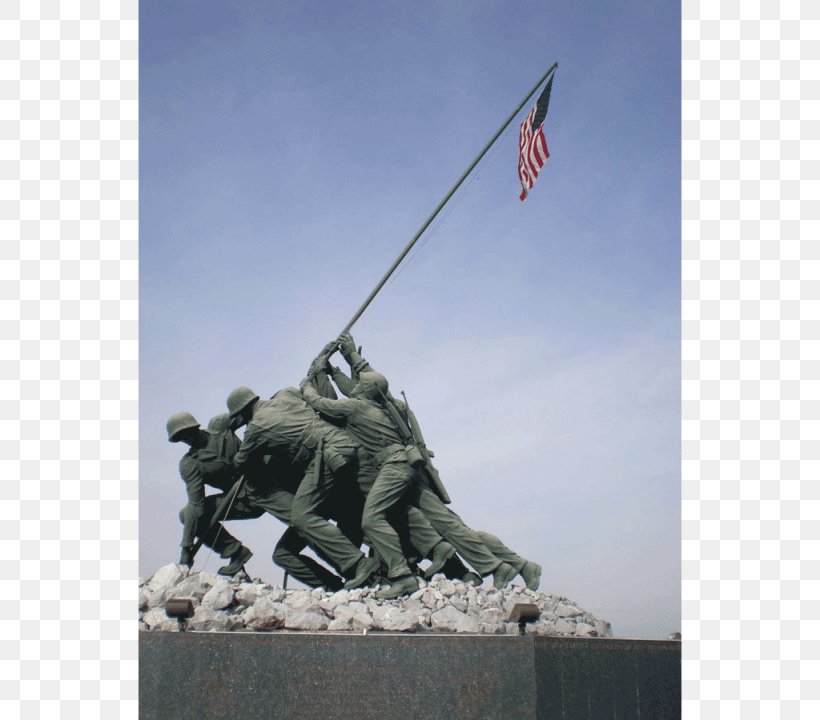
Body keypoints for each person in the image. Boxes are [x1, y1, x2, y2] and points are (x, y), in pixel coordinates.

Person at [323, 333, 537, 590]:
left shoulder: (389, 406)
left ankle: (498, 566)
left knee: (450, 528)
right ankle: (519, 565)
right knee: (453, 527)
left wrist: (352, 357)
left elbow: (366, 386)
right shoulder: (381, 404)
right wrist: (335, 370)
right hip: (405, 472)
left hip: (406, 473)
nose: (357, 386)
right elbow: (361, 389)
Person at [226, 384, 381, 589]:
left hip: (323, 457)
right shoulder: (285, 393)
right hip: (344, 442)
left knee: (302, 516)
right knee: (373, 506)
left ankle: (360, 565)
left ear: (242, 412)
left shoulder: (255, 429)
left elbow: (240, 461)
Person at [167, 411, 262, 577]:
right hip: (243, 501)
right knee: (188, 515)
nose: (187, 439)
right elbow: (196, 506)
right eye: (181, 437)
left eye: (187, 432)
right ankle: (235, 552)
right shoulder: (190, 464)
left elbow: (251, 412)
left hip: (270, 482)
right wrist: (186, 547)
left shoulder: (220, 426)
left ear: (195, 427)